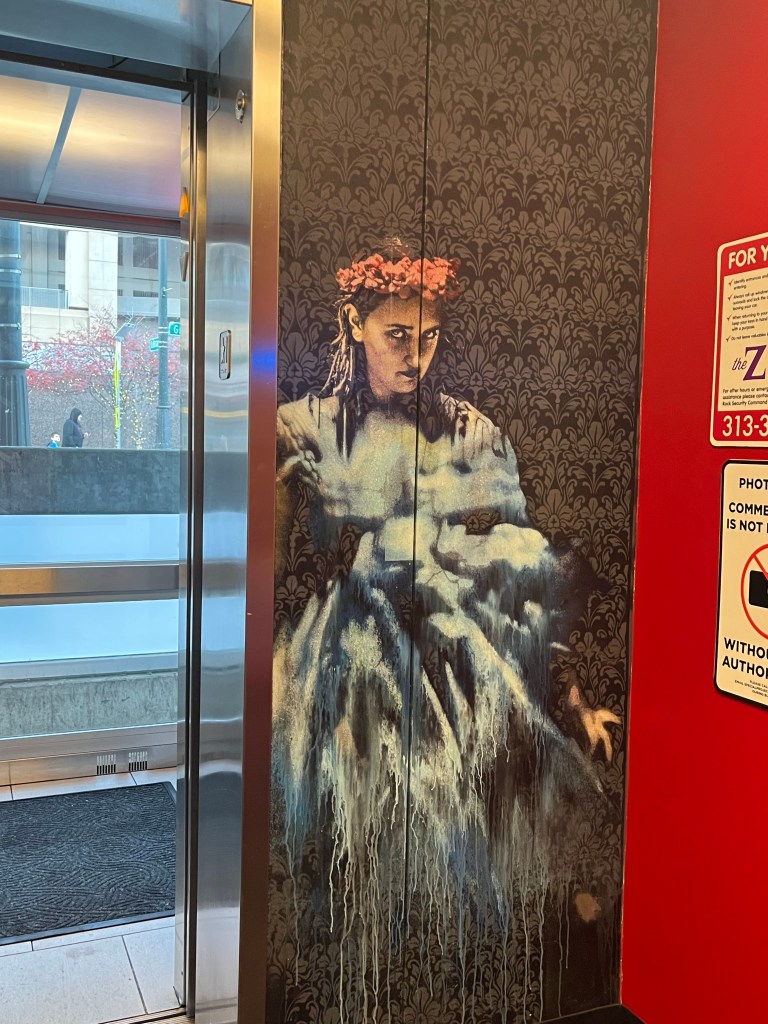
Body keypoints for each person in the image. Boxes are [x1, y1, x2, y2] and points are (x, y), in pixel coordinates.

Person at [272, 239, 619, 1004]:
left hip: (468, 671)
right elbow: (267, 581)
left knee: (530, 823)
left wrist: (570, 696)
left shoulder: (474, 435)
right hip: (347, 676)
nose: (415, 356)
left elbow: (530, 582)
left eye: (429, 337)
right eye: (397, 335)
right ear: (353, 323)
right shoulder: (301, 431)